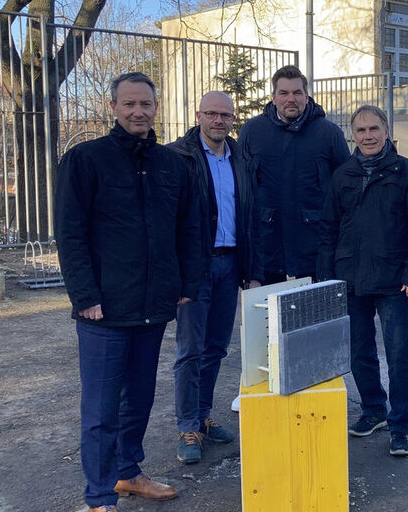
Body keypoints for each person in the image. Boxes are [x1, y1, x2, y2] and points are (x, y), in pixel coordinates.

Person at [55, 72, 201, 512]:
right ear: (113, 107)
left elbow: (189, 229)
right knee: (101, 409)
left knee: (138, 398)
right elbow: (70, 232)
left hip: (154, 305)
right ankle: (99, 497)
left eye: (146, 104)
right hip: (104, 309)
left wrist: (185, 285)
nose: (138, 111)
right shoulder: (85, 159)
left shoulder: (173, 164)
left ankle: (128, 474)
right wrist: (84, 297)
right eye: (129, 104)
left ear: (156, 108)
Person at [317, 105, 408, 456]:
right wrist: (326, 279)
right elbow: (328, 229)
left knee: (398, 355)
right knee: (358, 351)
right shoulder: (343, 175)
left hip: (393, 280)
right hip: (349, 279)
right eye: (361, 130)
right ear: (353, 135)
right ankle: (374, 410)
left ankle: (401, 425)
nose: (367, 136)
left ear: (386, 131)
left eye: (373, 129)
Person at [167, 91, 262, 465]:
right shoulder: (179, 156)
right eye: (212, 113)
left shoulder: (241, 157)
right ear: (198, 115)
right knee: (190, 350)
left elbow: (251, 215)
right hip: (196, 267)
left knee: (216, 348)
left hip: (231, 264)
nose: (218, 120)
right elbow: (169, 219)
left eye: (225, 115)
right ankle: (187, 425)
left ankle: (203, 416)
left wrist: (252, 271)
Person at [237, 65, 349, 284]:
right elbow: (242, 186)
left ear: (307, 96)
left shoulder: (328, 133)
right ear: (273, 97)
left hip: (314, 246)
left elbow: (344, 187)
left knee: (314, 316)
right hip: (267, 246)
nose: (291, 99)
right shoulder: (252, 131)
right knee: (268, 315)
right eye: (284, 93)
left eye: (297, 93)